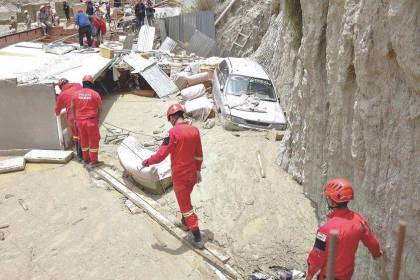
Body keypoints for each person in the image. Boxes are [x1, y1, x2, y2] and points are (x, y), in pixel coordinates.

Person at [142, 104, 204, 249]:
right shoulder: (194, 130)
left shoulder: (172, 133)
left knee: (186, 206)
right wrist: (198, 170)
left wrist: (147, 162)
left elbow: (161, 155)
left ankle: (197, 237)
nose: (170, 122)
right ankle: (185, 222)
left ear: (172, 117)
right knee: (185, 200)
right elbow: (199, 155)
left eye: (170, 119)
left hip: (180, 177)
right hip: (192, 174)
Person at [306, 178, 382, 280]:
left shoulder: (326, 229)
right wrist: (377, 254)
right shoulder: (359, 220)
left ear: (333, 202)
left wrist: (310, 275)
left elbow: (317, 256)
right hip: (347, 275)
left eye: (328, 198)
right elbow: (373, 243)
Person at [71, 75, 102, 167]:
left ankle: (86, 159)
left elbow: (72, 107)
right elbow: (99, 108)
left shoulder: (75, 94)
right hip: (91, 122)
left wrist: (75, 119)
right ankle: (94, 161)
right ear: (92, 83)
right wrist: (97, 119)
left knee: (83, 141)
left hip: (80, 122)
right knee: (94, 141)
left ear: (83, 83)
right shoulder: (95, 94)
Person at [55, 78, 83, 159]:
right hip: (83, 115)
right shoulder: (77, 85)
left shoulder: (62, 95)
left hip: (72, 118)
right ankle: (87, 156)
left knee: (76, 136)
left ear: (60, 87)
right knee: (84, 135)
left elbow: (57, 110)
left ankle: (80, 155)